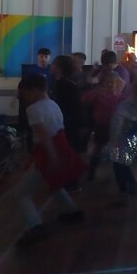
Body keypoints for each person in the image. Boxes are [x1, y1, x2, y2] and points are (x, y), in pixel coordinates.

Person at [13, 74, 87, 247]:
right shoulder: (53, 104)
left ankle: (35, 226)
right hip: (60, 147)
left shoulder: (33, 109)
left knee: (22, 193)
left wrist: (51, 157)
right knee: (53, 184)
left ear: (33, 91)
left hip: (48, 151)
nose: (24, 98)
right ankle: (72, 211)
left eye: (25, 94)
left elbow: (43, 135)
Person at [81, 72, 126, 181]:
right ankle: (91, 172)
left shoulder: (120, 97)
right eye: (107, 82)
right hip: (101, 126)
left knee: (116, 150)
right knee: (97, 148)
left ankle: (118, 174)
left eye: (112, 82)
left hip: (115, 127)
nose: (110, 84)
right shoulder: (98, 94)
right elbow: (84, 99)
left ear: (116, 84)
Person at [108, 81, 137, 201]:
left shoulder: (127, 104)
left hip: (123, 137)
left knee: (118, 164)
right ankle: (132, 185)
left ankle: (124, 190)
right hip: (135, 137)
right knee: (124, 163)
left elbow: (118, 122)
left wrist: (114, 139)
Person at [50, 55, 82, 153]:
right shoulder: (57, 83)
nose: (51, 65)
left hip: (67, 126)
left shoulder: (66, 85)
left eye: (54, 63)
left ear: (59, 68)